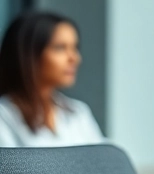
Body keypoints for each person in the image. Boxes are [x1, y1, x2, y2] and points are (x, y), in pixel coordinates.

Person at [0, 11, 103, 148]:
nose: (75, 58)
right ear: (29, 55)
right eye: (60, 48)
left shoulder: (77, 112)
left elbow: (104, 163)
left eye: (75, 48)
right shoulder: (5, 116)